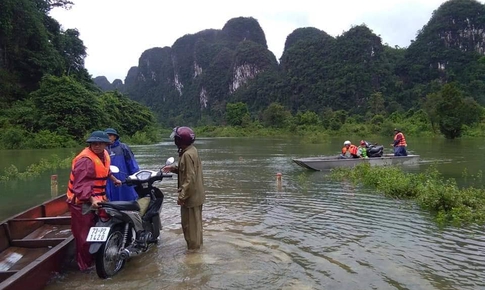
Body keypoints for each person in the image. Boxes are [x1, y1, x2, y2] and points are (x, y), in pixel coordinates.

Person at [66, 130, 122, 271]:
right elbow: (80, 185)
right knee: (83, 236)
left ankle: (98, 257)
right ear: (90, 144)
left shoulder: (104, 155)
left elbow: (105, 170)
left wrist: (114, 179)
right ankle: (84, 266)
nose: (96, 146)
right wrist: (91, 199)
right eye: (93, 143)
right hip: (82, 202)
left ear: (106, 144)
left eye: (100, 143)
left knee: (102, 226)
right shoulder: (85, 160)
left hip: (98, 199)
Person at [162, 126, 205, 250]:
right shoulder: (192, 150)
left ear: (180, 140)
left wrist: (182, 197)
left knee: (190, 227)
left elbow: (189, 179)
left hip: (191, 198)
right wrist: (173, 168)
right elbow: (187, 171)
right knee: (196, 227)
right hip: (196, 195)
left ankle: (193, 256)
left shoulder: (187, 155)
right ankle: (197, 250)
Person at [104, 128, 140, 202]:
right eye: (107, 136)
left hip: (123, 179)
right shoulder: (102, 149)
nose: (109, 137)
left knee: (127, 198)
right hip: (108, 179)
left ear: (115, 137)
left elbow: (132, 163)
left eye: (110, 135)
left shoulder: (123, 147)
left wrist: (136, 177)